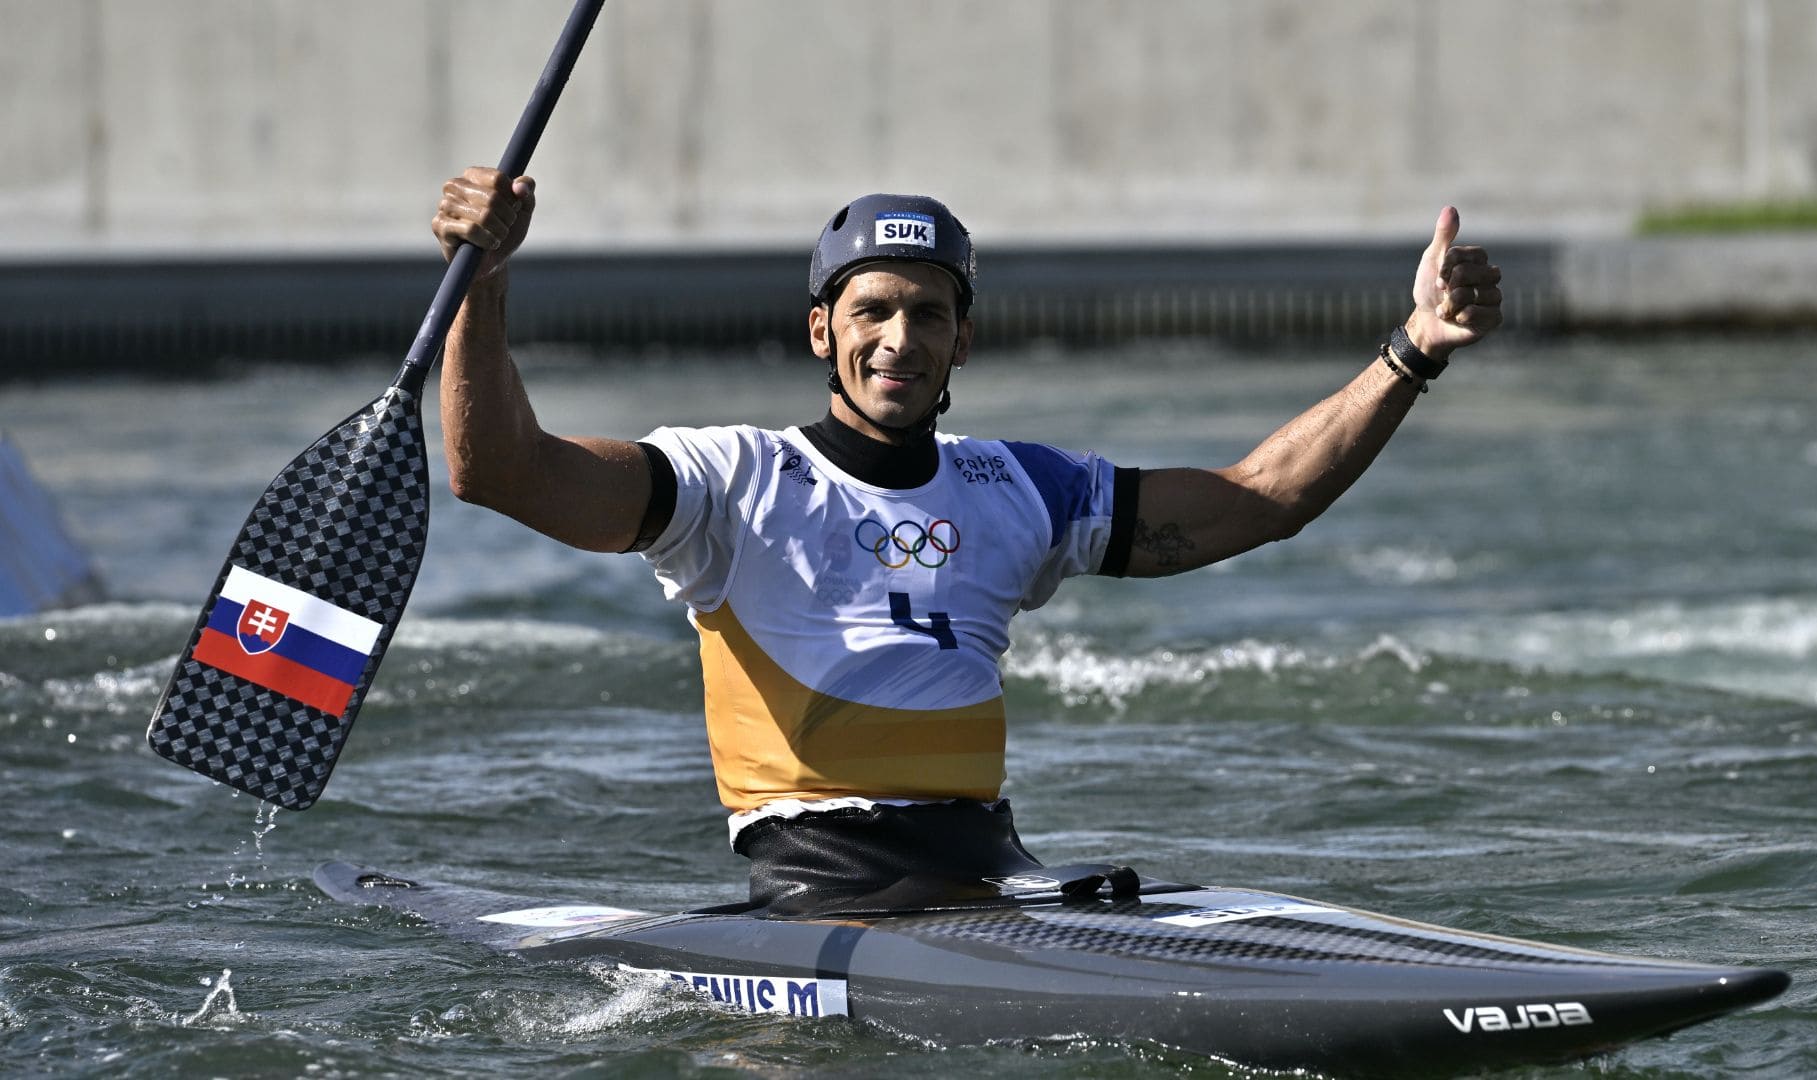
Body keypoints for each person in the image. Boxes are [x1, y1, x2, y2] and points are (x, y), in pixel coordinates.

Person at [431, 167, 1502, 914]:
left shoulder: (1018, 486)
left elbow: (1259, 498)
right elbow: (504, 471)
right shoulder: (731, 481)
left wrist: (1411, 352)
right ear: (823, 330)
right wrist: (485, 277)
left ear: (962, 342)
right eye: (873, 311)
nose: (901, 339)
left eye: (931, 316)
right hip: (821, 885)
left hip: (992, 873)